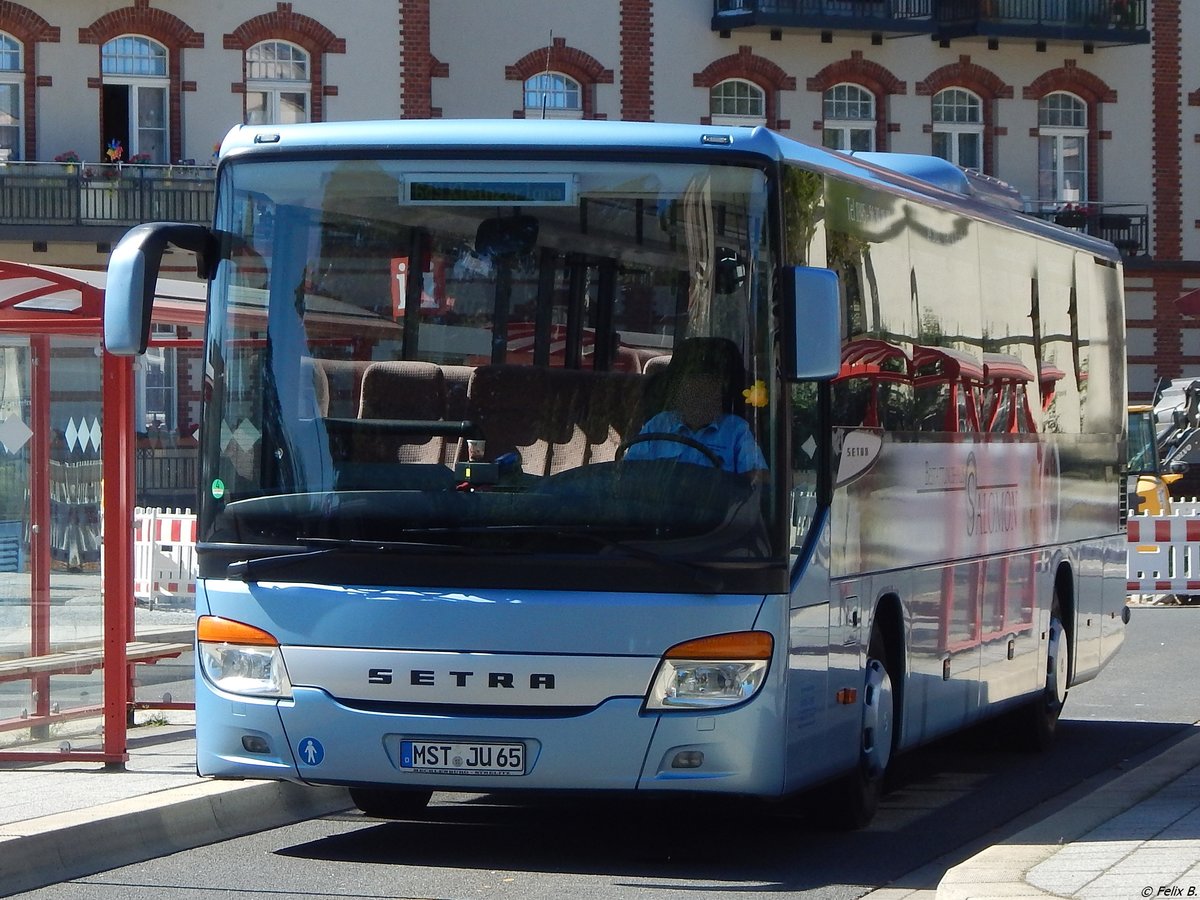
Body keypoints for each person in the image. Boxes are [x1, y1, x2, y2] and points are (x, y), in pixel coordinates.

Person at [623, 337, 767, 477]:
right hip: (659, 500)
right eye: (692, 385)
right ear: (678, 391)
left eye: (708, 386)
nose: (700, 394)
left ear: (721, 392)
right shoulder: (657, 425)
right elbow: (629, 474)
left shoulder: (737, 431)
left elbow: (758, 480)